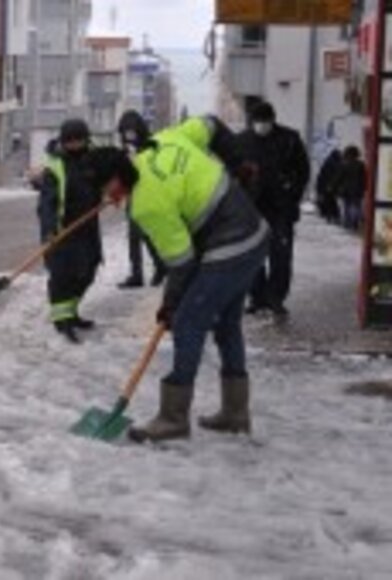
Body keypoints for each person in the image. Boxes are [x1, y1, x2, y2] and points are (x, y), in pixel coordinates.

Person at [81, 129, 270, 443]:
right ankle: (235, 413)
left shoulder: (146, 204)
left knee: (187, 323)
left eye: (105, 187)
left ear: (117, 177)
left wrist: (170, 306)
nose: (105, 195)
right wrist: (239, 164)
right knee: (226, 325)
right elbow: (209, 125)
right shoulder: (163, 140)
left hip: (229, 245)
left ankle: (173, 418)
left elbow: (181, 262)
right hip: (255, 234)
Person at [30, 119, 102, 344]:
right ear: (63, 141)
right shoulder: (55, 167)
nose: (74, 145)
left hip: (88, 228)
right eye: (70, 141)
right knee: (63, 278)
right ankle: (62, 321)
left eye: (79, 140)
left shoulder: (95, 159)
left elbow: (109, 181)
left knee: (88, 271)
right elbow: (47, 204)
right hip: (63, 231)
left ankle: (71, 312)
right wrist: (50, 230)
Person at [237, 102, 310, 319]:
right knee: (252, 256)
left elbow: (303, 170)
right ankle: (257, 297)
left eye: (266, 121)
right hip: (252, 209)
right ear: (252, 121)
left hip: (281, 209)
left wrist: (292, 195)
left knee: (281, 256)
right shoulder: (242, 141)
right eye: (258, 122)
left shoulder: (289, 139)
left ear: (273, 119)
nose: (262, 126)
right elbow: (232, 172)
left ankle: (275, 298)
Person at [338, 145, 367, 232]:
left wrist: (332, 187)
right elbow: (364, 178)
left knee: (347, 206)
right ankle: (355, 223)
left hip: (346, 190)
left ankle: (348, 223)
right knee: (356, 206)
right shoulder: (361, 165)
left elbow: (339, 177)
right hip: (358, 190)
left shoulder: (344, 165)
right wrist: (364, 188)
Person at [315, 148, 343, 225]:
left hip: (326, 186)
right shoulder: (338, 164)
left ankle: (329, 215)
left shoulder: (327, 163)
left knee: (328, 201)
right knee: (332, 202)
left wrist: (319, 188)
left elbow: (321, 176)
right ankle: (334, 216)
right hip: (333, 186)